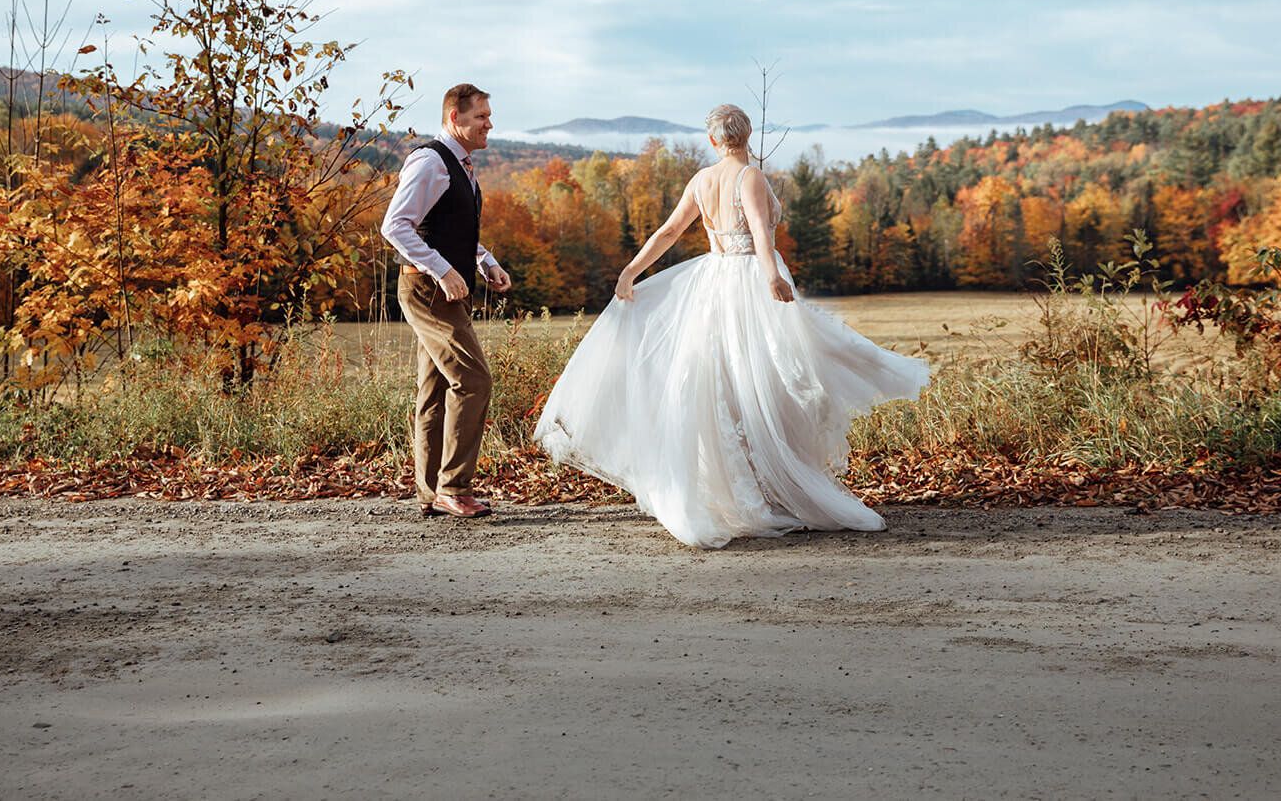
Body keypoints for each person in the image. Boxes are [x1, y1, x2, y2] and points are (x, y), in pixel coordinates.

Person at [533, 104, 929, 548]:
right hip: (749, 282)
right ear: (748, 135)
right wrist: (773, 278)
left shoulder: (701, 180)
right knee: (771, 376)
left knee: (724, 382)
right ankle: (764, 485)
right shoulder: (752, 176)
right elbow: (761, 232)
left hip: (712, 281)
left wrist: (631, 270)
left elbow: (667, 232)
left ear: (712, 141)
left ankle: (741, 487)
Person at [381, 83, 511, 518]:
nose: (489, 124)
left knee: (435, 389)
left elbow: (449, 230)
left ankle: (431, 492)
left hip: (445, 288)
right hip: (427, 290)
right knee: (473, 381)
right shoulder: (430, 161)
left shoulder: (461, 166)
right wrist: (443, 270)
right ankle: (453, 488)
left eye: (489, 116)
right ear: (455, 118)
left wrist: (485, 261)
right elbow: (395, 226)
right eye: (481, 117)